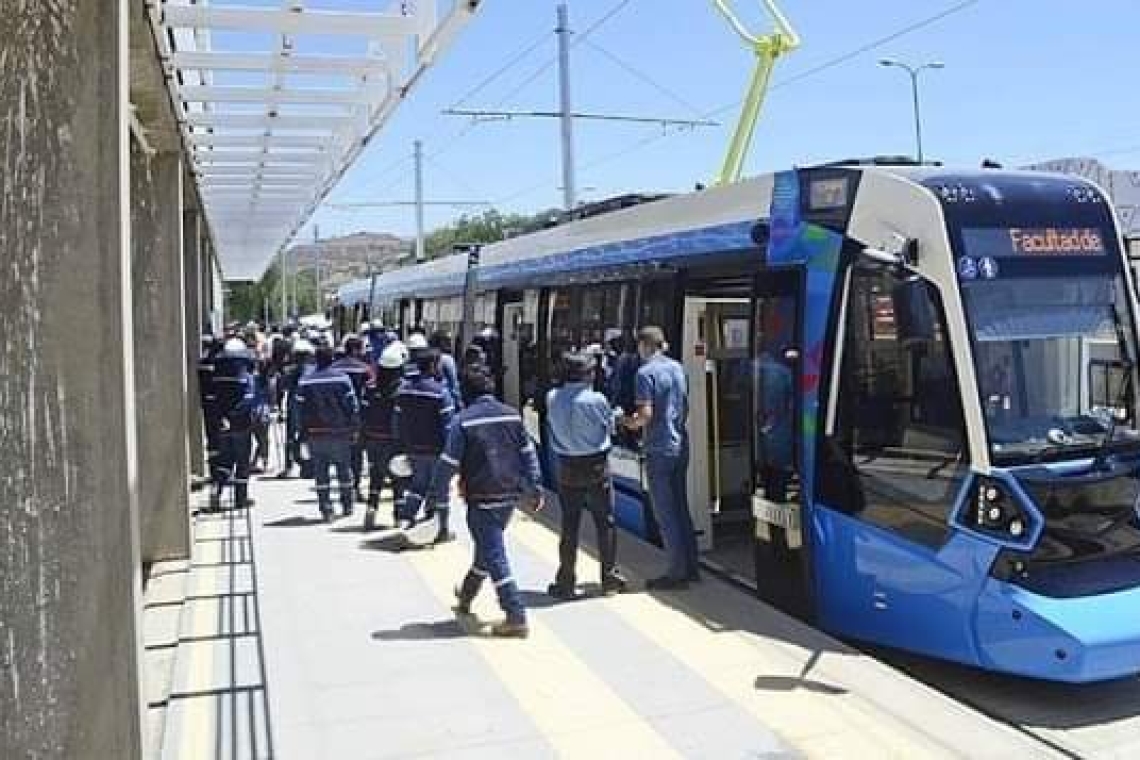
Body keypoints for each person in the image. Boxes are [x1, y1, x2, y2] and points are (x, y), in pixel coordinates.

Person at [425, 365, 544, 638]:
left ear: (465, 391)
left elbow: (448, 463)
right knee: (487, 549)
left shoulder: (463, 421)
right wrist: (535, 488)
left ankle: (515, 614)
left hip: (481, 497)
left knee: (495, 556)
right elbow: (528, 454)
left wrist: (435, 495)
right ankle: (466, 595)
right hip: (509, 497)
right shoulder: (512, 415)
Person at [545, 353, 627, 599]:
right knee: (605, 523)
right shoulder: (597, 399)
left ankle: (566, 582)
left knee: (569, 525)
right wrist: (618, 415)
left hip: (567, 466)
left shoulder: (552, 397)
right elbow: (610, 426)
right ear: (587, 375)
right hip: (596, 466)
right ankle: (609, 579)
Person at [623, 326, 699, 589]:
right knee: (681, 508)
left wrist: (626, 421)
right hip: (680, 444)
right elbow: (684, 406)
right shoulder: (677, 368)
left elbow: (645, 415)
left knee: (665, 514)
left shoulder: (645, 374)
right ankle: (691, 567)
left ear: (644, 345)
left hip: (658, 448)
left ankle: (676, 573)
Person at [296, 345, 360, 521]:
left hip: (315, 433)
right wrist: (355, 427)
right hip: (340, 432)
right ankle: (347, 505)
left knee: (321, 473)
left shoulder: (305, 381)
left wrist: (301, 432)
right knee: (344, 470)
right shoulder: (343, 379)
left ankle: (326, 509)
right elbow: (352, 405)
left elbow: (299, 408)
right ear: (332, 359)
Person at [395, 347, 455, 533]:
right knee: (440, 489)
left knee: (418, 485)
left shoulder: (403, 390)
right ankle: (441, 528)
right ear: (432, 366)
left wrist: (401, 444)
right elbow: (448, 425)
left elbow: (397, 420)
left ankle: (406, 519)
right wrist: (452, 450)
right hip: (437, 449)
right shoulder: (440, 392)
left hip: (413, 447)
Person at [360, 341, 407, 531]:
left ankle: (371, 511)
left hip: (373, 439)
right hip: (395, 441)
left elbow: (363, 414)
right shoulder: (402, 390)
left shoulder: (370, 388)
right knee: (398, 478)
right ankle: (399, 516)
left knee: (376, 476)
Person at [211, 338, 259, 510]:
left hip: (222, 424)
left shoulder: (217, 378)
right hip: (241, 424)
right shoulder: (246, 377)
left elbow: (213, 400)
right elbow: (249, 399)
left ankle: (216, 490)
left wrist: (223, 418)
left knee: (225, 460)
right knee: (242, 461)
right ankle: (240, 499)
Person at [332, 335, 373, 501]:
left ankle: (345, 488)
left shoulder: (334, 368)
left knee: (342, 453)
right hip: (358, 416)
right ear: (356, 350)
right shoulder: (364, 369)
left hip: (337, 416)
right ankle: (354, 486)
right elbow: (371, 389)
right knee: (357, 453)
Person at [429, 331, 462, 409]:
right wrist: (458, 401)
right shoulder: (447, 359)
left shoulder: (428, 357)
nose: (450, 343)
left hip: (431, 396)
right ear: (440, 342)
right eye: (447, 340)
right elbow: (453, 383)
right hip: (446, 400)